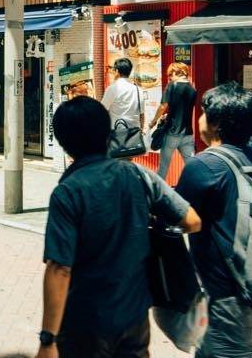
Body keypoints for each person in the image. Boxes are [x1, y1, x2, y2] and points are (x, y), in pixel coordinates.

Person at [36, 95, 199, 358]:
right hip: (134, 318)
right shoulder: (137, 176)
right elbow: (192, 220)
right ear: (107, 133)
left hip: (84, 324)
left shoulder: (68, 192)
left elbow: (60, 268)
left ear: (65, 144)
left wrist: (47, 340)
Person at [175, 82, 252, 357]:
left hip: (227, 291)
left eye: (204, 113)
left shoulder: (205, 164)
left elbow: (177, 215)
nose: (200, 119)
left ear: (216, 124)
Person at [150, 61, 197, 180]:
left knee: (163, 167)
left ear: (177, 72)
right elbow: (182, 108)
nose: (170, 77)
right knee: (192, 166)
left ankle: (157, 193)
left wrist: (154, 121)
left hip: (172, 132)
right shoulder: (192, 89)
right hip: (187, 134)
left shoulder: (172, 85)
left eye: (171, 74)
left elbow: (163, 106)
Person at [101, 56, 142, 133]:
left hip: (117, 133)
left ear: (117, 71)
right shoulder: (138, 90)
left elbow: (102, 110)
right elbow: (142, 114)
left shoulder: (112, 88)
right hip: (134, 134)